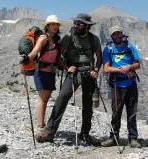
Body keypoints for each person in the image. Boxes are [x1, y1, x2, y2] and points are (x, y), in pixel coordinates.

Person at [36, 13, 102, 145]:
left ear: (87, 26)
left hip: (88, 71)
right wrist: (67, 68)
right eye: (75, 23)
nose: (76, 25)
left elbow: (99, 57)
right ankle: (49, 131)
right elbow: (58, 57)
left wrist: (96, 70)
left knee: (87, 104)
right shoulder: (68, 38)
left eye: (79, 23)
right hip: (74, 71)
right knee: (62, 97)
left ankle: (85, 134)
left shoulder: (94, 39)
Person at [19, 15, 67, 140]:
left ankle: (42, 125)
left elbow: (57, 58)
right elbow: (35, 52)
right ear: (47, 26)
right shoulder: (43, 38)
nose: (55, 26)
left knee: (46, 99)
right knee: (42, 99)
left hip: (50, 72)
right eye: (53, 24)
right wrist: (26, 58)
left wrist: (66, 67)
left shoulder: (55, 40)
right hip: (41, 71)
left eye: (57, 24)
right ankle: (40, 127)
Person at [100, 26, 142, 148]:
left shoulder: (130, 47)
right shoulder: (108, 50)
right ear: (111, 36)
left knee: (132, 112)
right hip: (116, 85)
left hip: (130, 84)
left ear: (122, 35)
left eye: (118, 34)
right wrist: (120, 70)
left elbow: (137, 64)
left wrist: (129, 67)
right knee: (116, 112)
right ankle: (113, 137)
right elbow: (106, 68)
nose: (117, 36)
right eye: (114, 34)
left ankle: (133, 139)